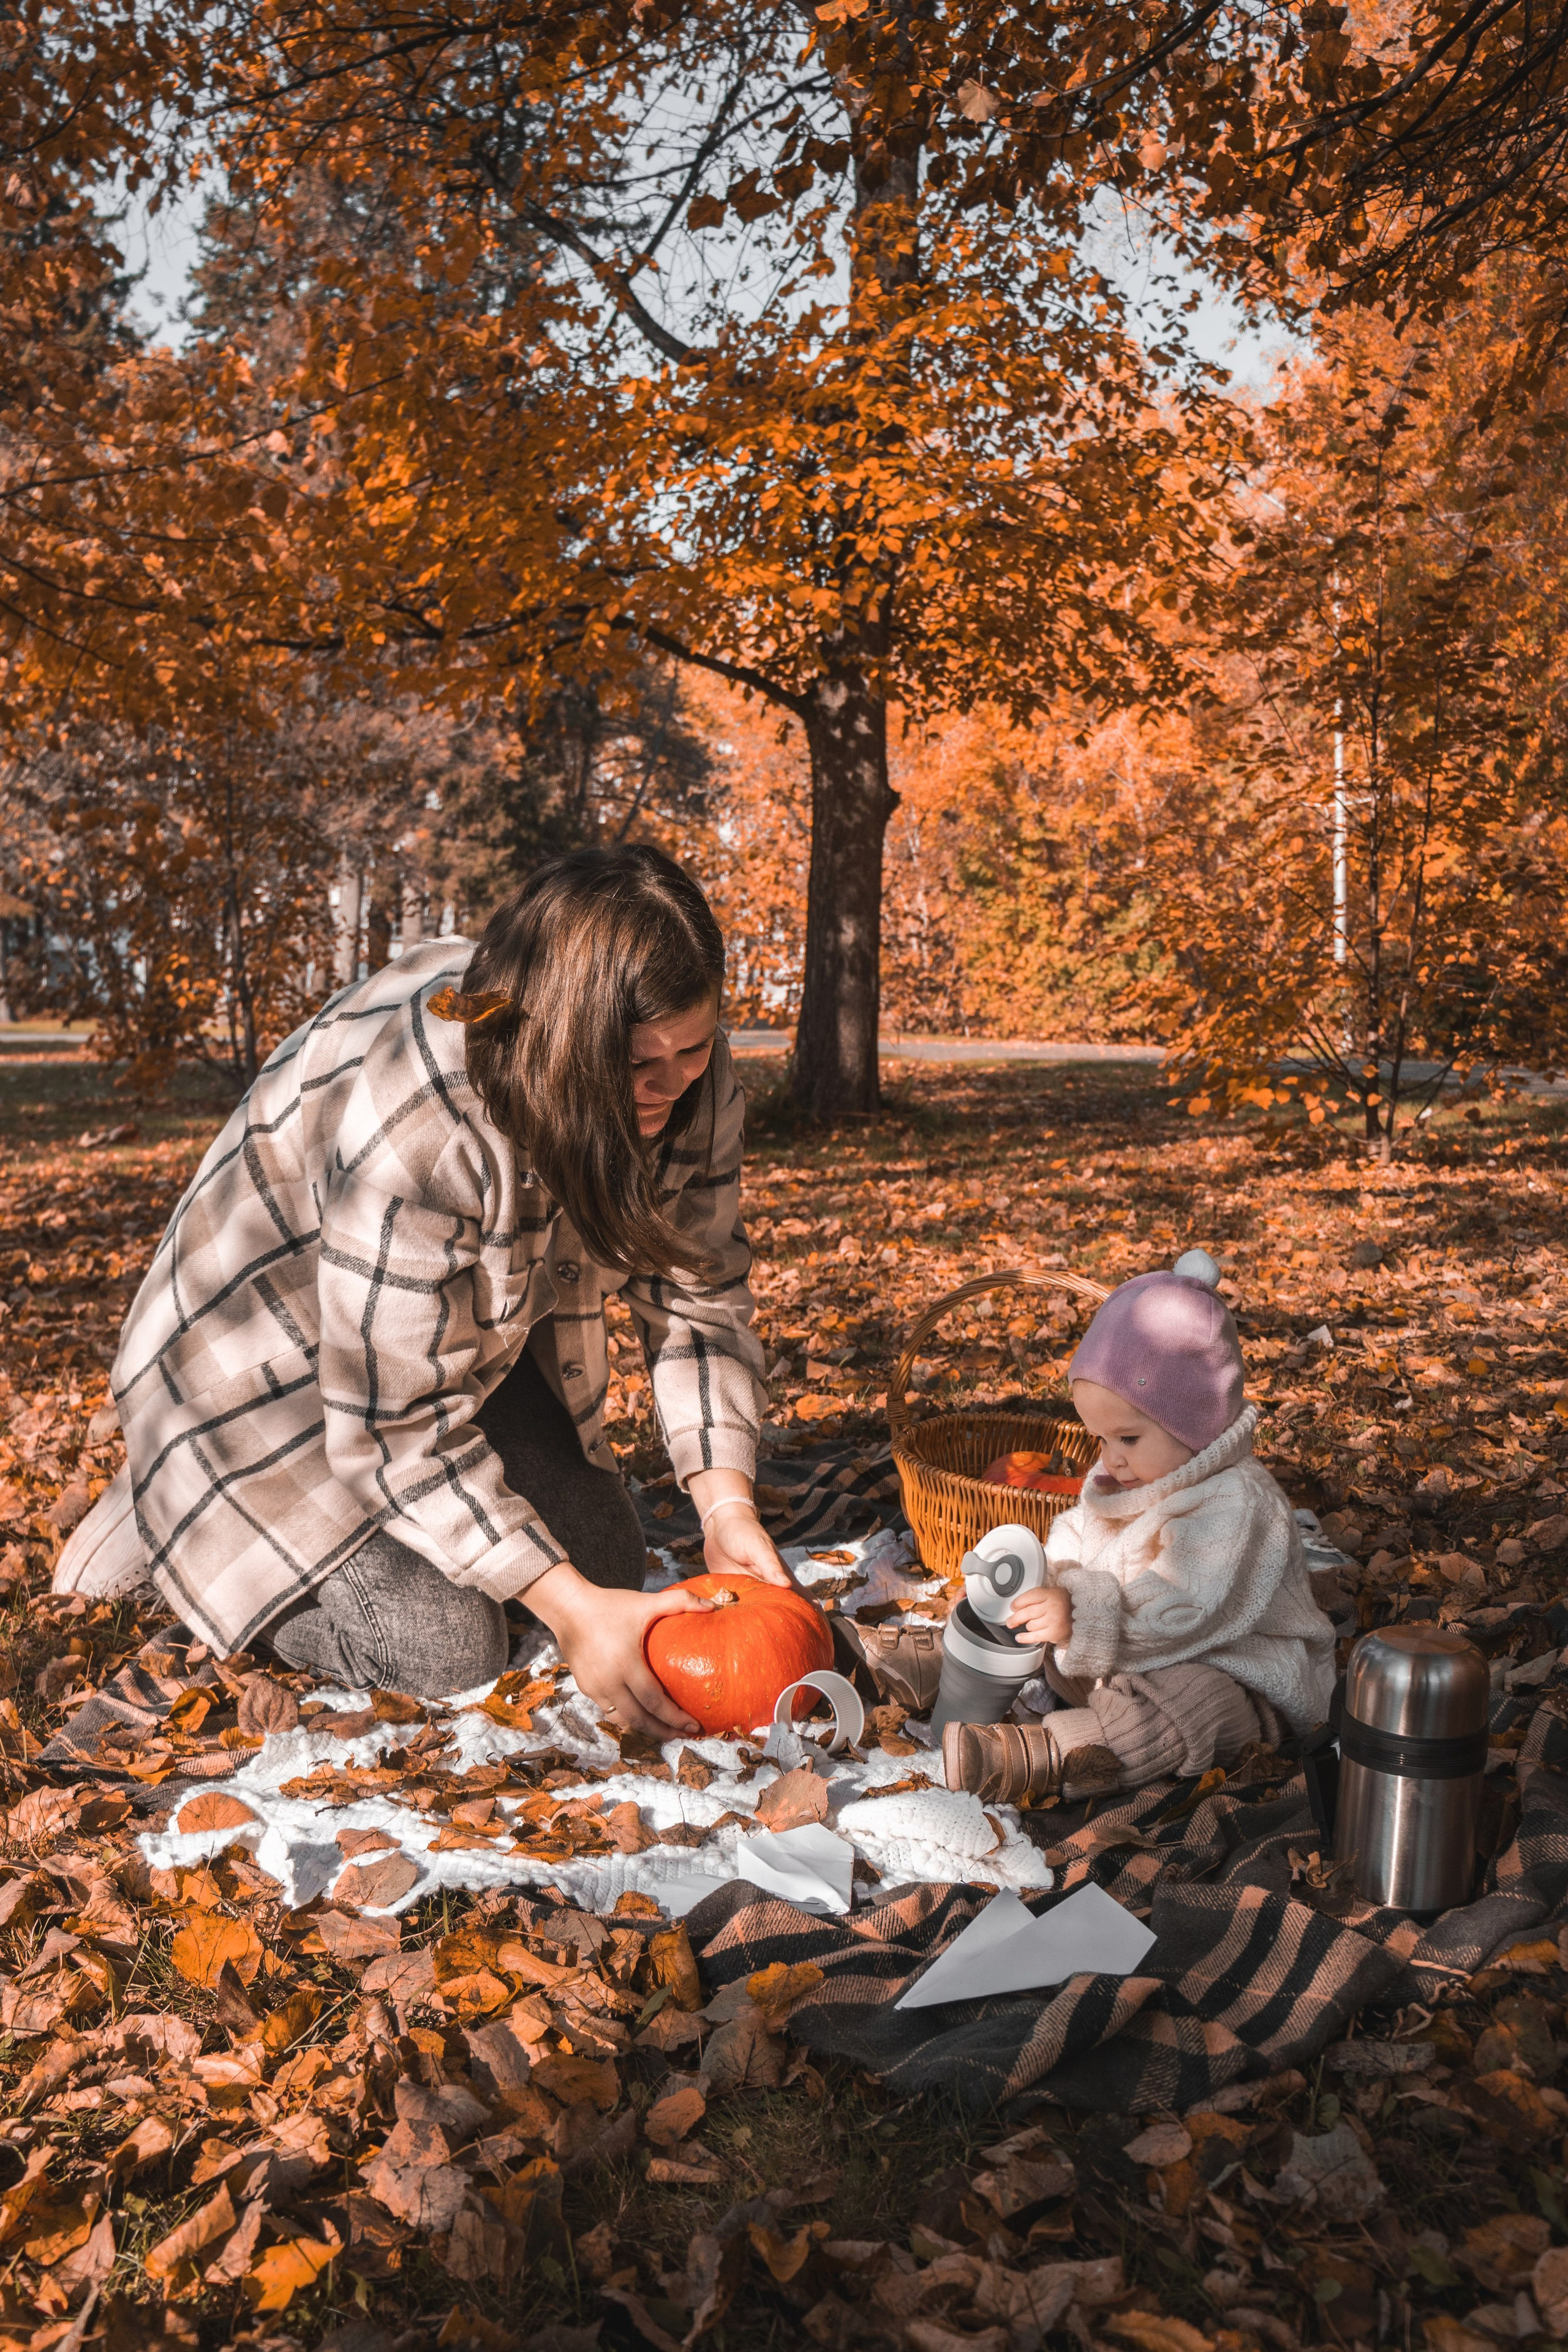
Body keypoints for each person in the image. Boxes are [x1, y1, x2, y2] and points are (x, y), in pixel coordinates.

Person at [53, 846, 787, 1736]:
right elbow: (392, 1422)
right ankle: (176, 1506)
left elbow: (698, 1289)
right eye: (641, 1064)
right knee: (442, 1653)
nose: (673, 1086)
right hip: (258, 1363)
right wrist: (571, 1616)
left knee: (606, 1563)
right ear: (561, 1044)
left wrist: (726, 1507)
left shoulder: (688, 1087)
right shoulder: (430, 1110)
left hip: (445, 1338)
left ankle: (241, 1530)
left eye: (695, 1049)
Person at [944, 1251, 1335, 1803]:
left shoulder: (1236, 1502)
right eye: (1100, 1439)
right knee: (1018, 1629)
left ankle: (1051, 1755)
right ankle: (944, 1663)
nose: (1112, 1458)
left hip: (1235, 1671)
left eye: (1127, 1438)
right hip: (1115, 1655)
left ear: (1196, 1422)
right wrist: (1049, 1579)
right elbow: (1078, 1529)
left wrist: (1077, 1615)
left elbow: (1184, 1609)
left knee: (1192, 1702)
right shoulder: (1126, 1475)